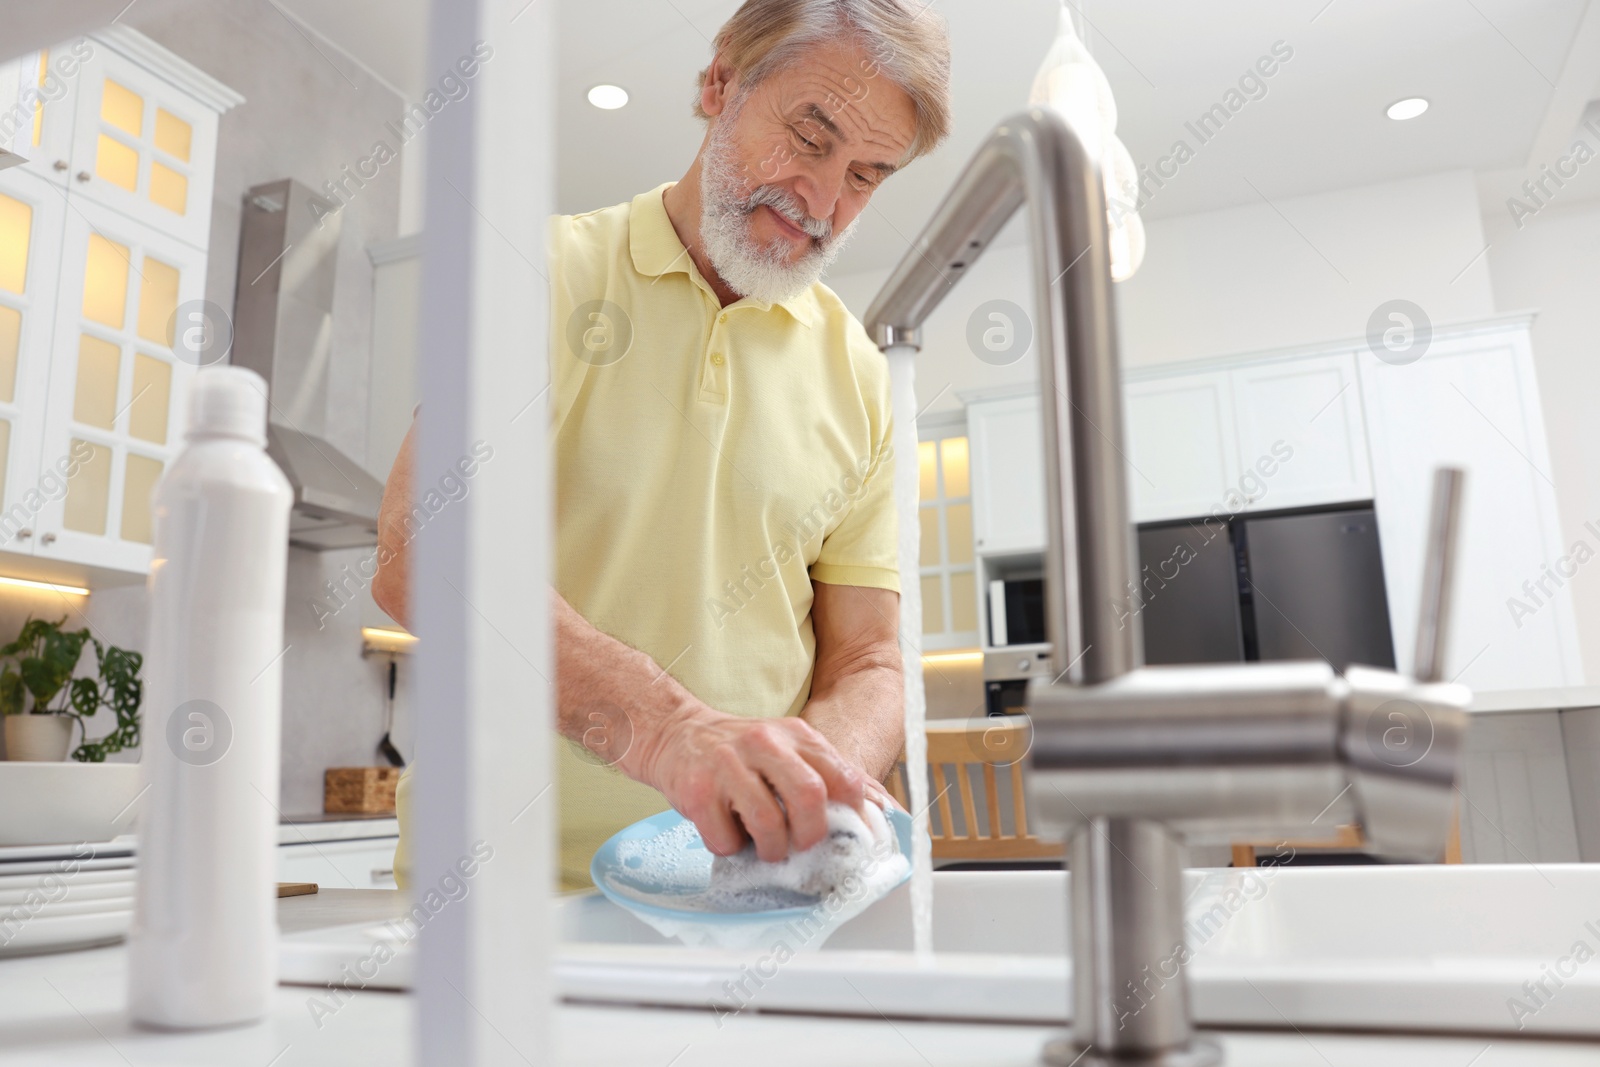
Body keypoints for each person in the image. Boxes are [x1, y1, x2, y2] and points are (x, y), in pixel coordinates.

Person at [373, 0, 953, 890]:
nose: (823, 204)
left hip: (749, 898)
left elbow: (869, 658)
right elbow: (419, 552)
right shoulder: (535, 275)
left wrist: (807, 790)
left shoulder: (862, 375)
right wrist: (672, 732)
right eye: (809, 137)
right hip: (499, 891)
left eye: (867, 175)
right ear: (720, 82)